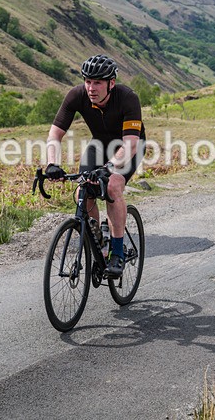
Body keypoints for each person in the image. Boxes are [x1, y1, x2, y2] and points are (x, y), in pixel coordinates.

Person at [44, 55, 145, 278]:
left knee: (112, 186)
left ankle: (117, 252)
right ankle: (98, 240)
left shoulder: (127, 98)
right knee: (83, 189)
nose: (91, 87)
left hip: (129, 146)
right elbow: (55, 134)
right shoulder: (77, 95)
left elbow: (130, 144)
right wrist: (52, 164)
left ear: (111, 83)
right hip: (99, 145)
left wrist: (109, 167)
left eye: (97, 82)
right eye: (88, 81)